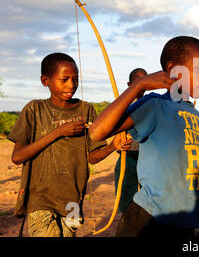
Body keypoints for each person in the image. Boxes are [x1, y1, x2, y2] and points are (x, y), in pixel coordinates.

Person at [88, 36, 199, 237]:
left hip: (184, 221)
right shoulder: (154, 105)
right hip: (150, 220)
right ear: (173, 69)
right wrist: (139, 85)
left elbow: (189, 169)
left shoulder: (196, 116)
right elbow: (97, 131)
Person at [8, 52, 129, 237]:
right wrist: (58, 132)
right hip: (40, 199)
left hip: (73, 200)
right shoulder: (34, 109)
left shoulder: (85, 109)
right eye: (64, 79)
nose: (71, 85)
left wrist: (113, 146)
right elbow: (17, 157)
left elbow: (91, 157)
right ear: (45, 80)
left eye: (75, 79)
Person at [114, 68, 147, 214]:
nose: (141, 85)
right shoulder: (122, 104)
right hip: (127, 158)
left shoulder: (150, 104)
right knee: (127, 204)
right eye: (137, 81)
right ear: (129, 84)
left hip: (147, 159)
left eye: (144, 81)